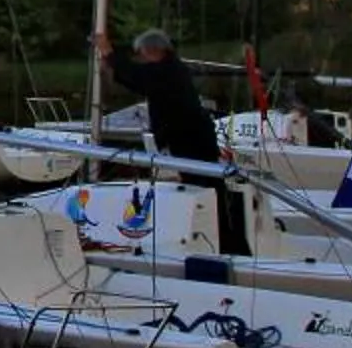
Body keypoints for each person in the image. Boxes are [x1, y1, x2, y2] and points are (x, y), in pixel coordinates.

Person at [95, 27, 248, 255]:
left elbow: (137, 76)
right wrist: (112, 62)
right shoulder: (171, 69)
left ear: (152, 51)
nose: (141, 58)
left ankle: (225, 242)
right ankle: (222, 239)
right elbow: (138, 77)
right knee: (206, 186)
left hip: (192, 141)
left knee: (206, 187)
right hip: (193, 139)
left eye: (142, 53)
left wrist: (108, 52)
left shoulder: (167, 71)